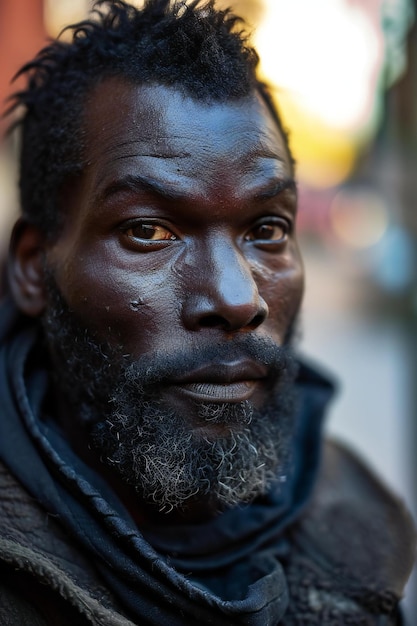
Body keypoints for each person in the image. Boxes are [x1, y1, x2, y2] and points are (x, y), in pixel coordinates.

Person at [0, 0, 415, 623]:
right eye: (148, 232)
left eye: (266, 229)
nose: (238, 298)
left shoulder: (358, 526)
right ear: (34, 266)